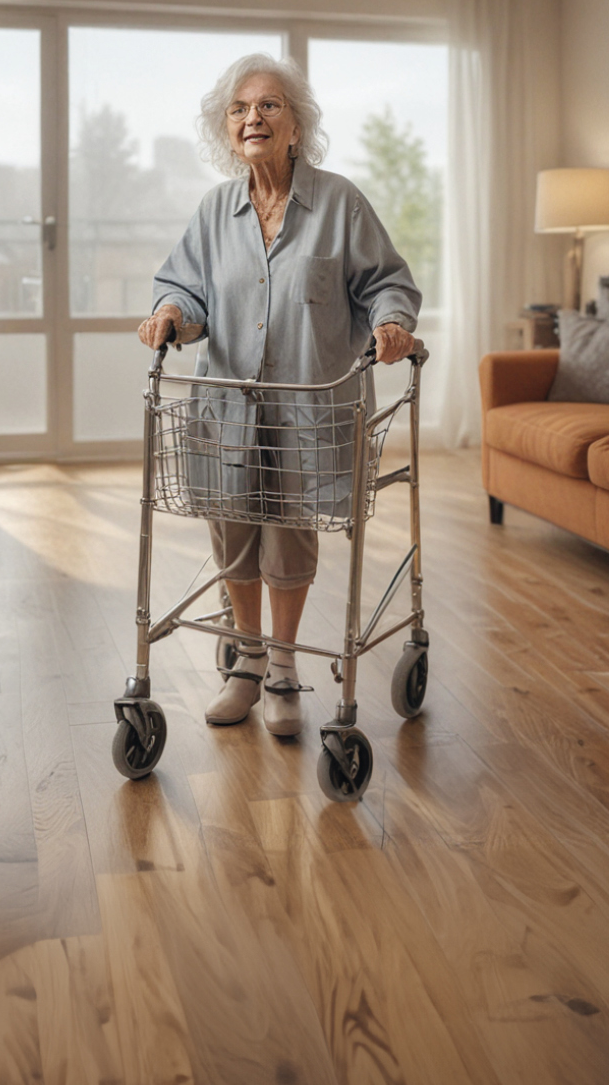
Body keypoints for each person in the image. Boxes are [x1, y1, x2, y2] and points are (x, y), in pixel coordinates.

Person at [139, 52, 420, 738]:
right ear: (226, 129)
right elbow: (184, 287)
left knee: (289, 536)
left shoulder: (341, 203)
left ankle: (286, 668)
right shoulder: (214, 212)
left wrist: (390, 323)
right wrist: (171, 313)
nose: (251, 118)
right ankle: (249, 663)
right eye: (238, 109)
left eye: (268, 106)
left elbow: (389, 282)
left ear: (296, 126)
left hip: (309, 405)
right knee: (234, 529)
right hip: (229, 405)